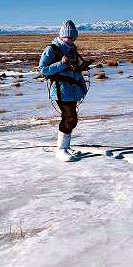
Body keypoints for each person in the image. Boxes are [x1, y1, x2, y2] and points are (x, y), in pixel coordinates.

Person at [38, 20, 89, 161]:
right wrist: (61, 64)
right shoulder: (52, 49)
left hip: (73, 90)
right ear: (62, 36)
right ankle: (61, 150)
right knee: (69, 118)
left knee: (71, 119)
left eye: (74, 38)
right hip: (61, 90)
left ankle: (66, 147)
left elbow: (76, 70)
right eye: (69, 37)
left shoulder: (72, 49)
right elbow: (43, 70)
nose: (71, 40)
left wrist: (82, 85)